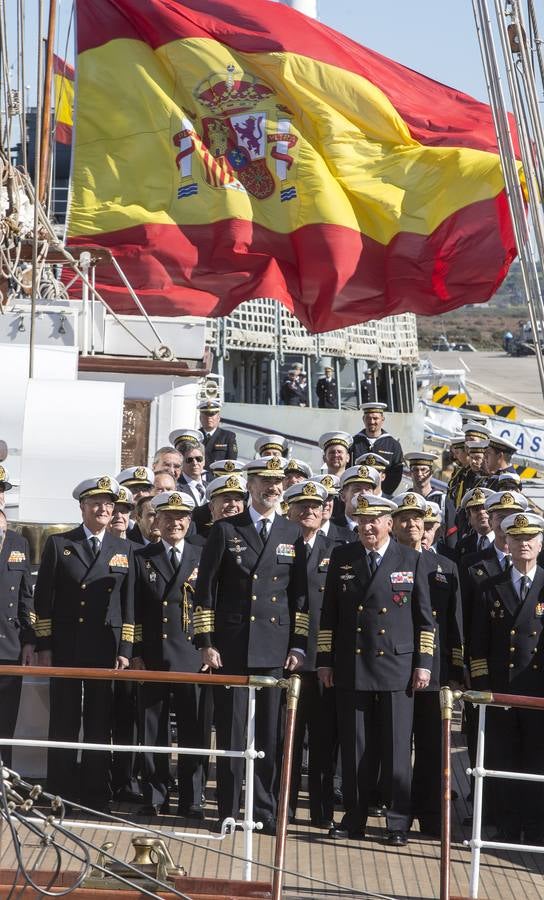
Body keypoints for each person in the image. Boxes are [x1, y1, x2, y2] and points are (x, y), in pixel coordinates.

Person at [193, 455, 309, 833]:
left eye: (277, 482)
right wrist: (205, 642)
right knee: (231, 734)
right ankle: (227, 810)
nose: (272, 488)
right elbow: (205, 593)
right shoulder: (226, 530)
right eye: (264, 481)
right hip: (233, 646)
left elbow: (300, 598)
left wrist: (298, 645)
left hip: (274, 650)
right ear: (251, 484)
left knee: (270, 738)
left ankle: (266, 811)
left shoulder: (292, 533)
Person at [317, 493, 434, 846]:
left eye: (375, 519)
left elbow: (425, 619)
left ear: (389, 523)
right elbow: (329, 614)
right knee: (355, 748)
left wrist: (423, 664)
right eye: (362, 519)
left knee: (398, 747)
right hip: (353, 663)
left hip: (398, 665)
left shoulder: (411, 559)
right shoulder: (343, 556)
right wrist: (324, 659)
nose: (367, 526)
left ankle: (398, 822)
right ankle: (354, 817)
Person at [34, 476, 135, 812]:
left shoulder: (125, 548)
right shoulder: (60, 543)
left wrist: (125, 649)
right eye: (96, 503)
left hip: (105, 645)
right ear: (82, 507)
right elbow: (43, 599)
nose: (104, 508)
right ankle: (59, 792)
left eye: (108, 503)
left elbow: (129, 604)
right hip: (66, 643)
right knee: (63, 720)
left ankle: (95, 793)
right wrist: (44, 644)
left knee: (98, 720)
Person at [391, 491, 463, 837]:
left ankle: (431, 815)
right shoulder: (388, 561)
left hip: (435, 671)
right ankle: (399, 816)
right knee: (398, 747)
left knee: (433, 746)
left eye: (419, 518)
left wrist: (456, 672)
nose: (412, 524)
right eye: (405, 518)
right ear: (394, 524)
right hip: (395, 666)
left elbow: (453, 624)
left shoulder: (446, 568)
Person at [470, 511, 544, 843]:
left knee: (537, 758)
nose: (523, 544)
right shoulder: (490, 587)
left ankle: (536, 824)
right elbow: (478, 643)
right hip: (501, 691)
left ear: (540, 544)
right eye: (517, 539)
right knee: (504, 757)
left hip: (537, 692)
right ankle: (508, 824)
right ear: (507, 544)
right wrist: (485, 687)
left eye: (530, 538)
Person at [132, 491, 205, 818]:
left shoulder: (202, 553)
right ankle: (155, 795)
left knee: (194, 731)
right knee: (153, 729)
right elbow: (131, 609)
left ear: (189, 521)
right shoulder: (142, 557)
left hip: (193, 654)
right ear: (156, 521)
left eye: (181, 517)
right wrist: (134, 652)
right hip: (154, 654)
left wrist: (209, 644)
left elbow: (210, 605)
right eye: (168, 517)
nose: (175, 523)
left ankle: (193, 799)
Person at [284, 480, 338, 828]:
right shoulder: (279, 544)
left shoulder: (339, 548)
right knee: (286, 739)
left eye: (315, 506)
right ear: (290, 510)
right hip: (285, 656)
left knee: (323, 740)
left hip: (321, 658)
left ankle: (321, 812)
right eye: (302, 506)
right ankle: (283, 809)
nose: (309, 512)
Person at [0, 508, 35, 769]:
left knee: (5, 722)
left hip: (9, 645)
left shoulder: (18, 543)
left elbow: (26, 597)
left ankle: (4, 784)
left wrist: (29, 640)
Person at [405, 451, 458, 550]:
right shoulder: (405, 499)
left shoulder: (443, 500)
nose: (419, 474)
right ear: (410, 473)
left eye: (423, 469)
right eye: (415, 470)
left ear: (431, 472)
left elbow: (451, 533)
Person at [350, 403, 403, 496]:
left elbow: (396, 473)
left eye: (375, 418)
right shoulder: (354, 443)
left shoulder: (393, 445)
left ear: (382, 419)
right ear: (363, 419)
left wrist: (384, 493)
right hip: (358, 494)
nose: (371, 421)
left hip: (382, 495)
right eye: (368, 418)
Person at [333, 465, 382, 533]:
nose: (364, 493)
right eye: (357, 489)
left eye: (368, 489)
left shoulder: (380, 529)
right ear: (343, 496)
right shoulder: (331, 528)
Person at [311, 474, 353, 545]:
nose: (327, 503)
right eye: (322, 498)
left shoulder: (350, 537)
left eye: (330, 498)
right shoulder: (298, 533)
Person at [455, 488, 494, 560]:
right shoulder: (462, 545)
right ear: (469, 518)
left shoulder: (505, 542)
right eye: (476, 509)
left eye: (485, 508)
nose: (482, 512)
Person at [198, 399, 238, 468]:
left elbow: (232, 461)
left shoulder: (228, 437)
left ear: (218, 418)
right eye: (206, 415)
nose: (209, 418)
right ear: (200, 418)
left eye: (212, 415)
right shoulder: (195, 436)